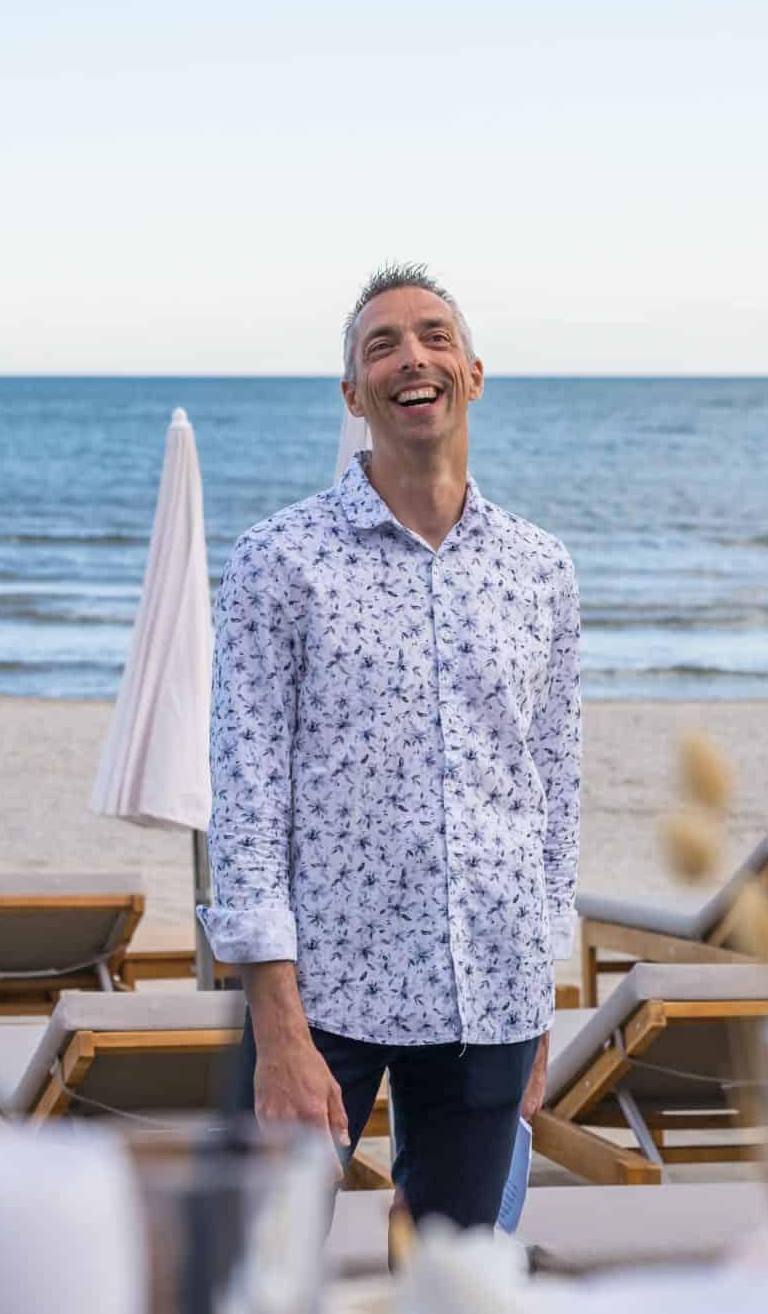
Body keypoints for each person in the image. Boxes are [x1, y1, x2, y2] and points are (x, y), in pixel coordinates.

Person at [202, 261, 581, 1227]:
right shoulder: (278, 562)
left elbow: (553, 788)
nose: (412, 357)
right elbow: (246, 805)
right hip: (322, 997)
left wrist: (538, 993)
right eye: (383, 345)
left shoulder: (541, 568)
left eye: (434, 337)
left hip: (491, 994)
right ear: (354, 394)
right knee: (264, 1274)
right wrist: (277, 1026)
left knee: (456, 1282)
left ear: (474, 374)